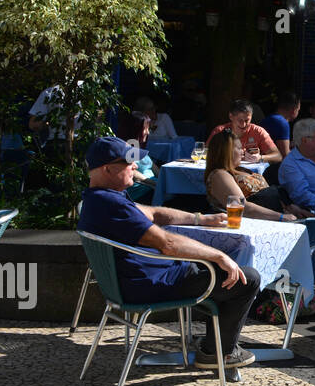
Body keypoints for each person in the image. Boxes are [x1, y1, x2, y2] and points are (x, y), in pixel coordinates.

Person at [77, 136, 261, 369]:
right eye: (128, 163)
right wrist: (219, 256)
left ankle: (214, 345)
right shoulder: (112, 206)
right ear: (107, 169)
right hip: (153, 285)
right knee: (247, 278)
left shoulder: (100, 199)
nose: (135, 167)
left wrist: (199, 219)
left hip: (136, 282)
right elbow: (168, 244)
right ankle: (218, 353)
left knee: (222, 274)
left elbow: (154, 214)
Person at [205, 128, 298, 221]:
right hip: (261, 221)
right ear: (226, 151)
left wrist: (289, 207)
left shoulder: (240, 169)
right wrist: (280, 217)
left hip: (280, 213)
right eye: (239, 148)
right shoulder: (220, 175)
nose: (243, 150)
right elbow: (241, 207)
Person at [210, 100, 281, 165]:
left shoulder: (258, 131)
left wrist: (260, 158)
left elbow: (278, 156)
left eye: (247, 120)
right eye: (240, 120)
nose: (243, 124)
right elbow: (207, 154)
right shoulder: (220, 131)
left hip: (251, 175)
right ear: (231, 116)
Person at [260, 91, 301, 159]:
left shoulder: (267, 119)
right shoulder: (282, 123)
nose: (298, 112)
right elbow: (285, 155)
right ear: (294, 110)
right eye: (298, 110)